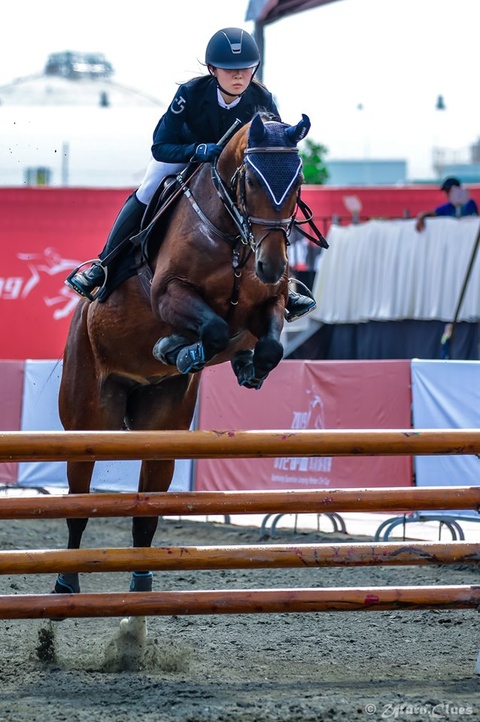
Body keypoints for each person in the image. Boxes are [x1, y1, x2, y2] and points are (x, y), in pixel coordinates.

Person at [66, 27, 315, 322]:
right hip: (185, 157)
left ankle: (284, 287)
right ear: (212, 70)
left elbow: (269, 147)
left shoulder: (262, 98)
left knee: (268, 203)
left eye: (245, 69)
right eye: (229, 70)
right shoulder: (190, 94)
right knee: (148, 189)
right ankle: (103, 265)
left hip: (232, 172)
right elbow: (161, 147)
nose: (238, 77)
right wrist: (198, 151)